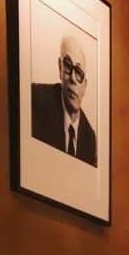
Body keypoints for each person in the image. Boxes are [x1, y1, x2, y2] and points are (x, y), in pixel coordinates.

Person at [31, 32, 97, 165]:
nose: (72, 78)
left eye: (78, 72)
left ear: (85, 86)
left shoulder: (90, 139)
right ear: (60, 68)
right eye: (67, 65)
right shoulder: (35, 99)